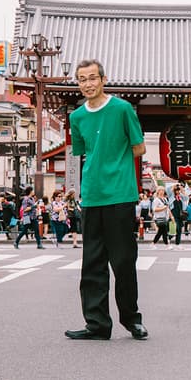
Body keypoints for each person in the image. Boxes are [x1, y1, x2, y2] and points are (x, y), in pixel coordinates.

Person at [65, 59, 148, 341]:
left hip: (121, 195)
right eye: (81, 79)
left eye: (91, 78)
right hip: (91, 197)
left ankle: (131, 319)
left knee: (123, 262)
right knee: (92, 263)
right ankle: (97, 324)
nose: (87, 84)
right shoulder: (76, 117)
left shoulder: (123, 109)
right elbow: (82, 152)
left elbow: (139, 148)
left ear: (103, 79)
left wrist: (115, 163)